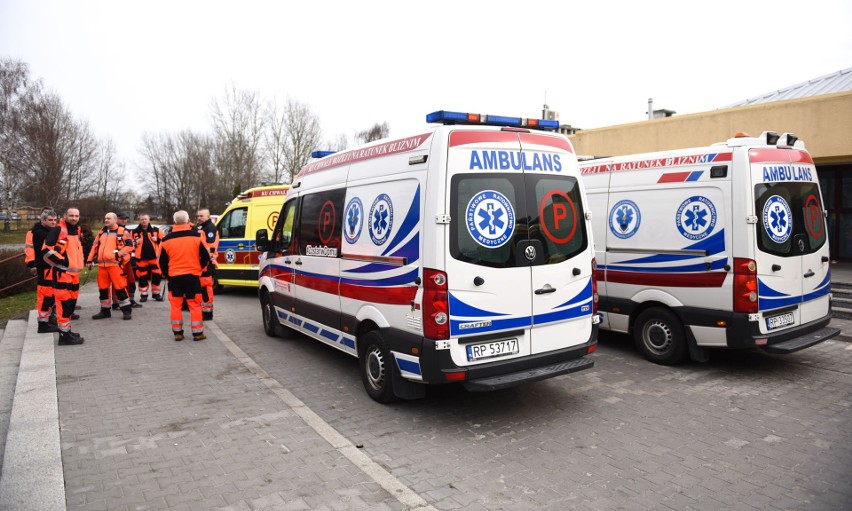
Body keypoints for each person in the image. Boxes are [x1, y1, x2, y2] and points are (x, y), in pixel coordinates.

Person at [160, 210, 210, 341]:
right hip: (193, 276)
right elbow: (205, 257)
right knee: (194, 304)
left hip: (174, 277)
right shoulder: (197, 237)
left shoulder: (165, 240)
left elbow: (162, 262)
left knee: (176, 305)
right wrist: (200, 268)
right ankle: (198, 333)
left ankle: (178, 333)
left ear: (174, 222)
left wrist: (166, 275)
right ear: (188, 221)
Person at [42, 207, 86, 345]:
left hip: (73, 274)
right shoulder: (58, 229)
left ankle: (67, 331)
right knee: (63, 304)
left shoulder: (75, 230)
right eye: (71, 215)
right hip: (63, 274)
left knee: (70, 305)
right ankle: (64, 336)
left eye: (76, 216)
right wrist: (61, 262)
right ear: (65, 216)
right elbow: (46, 251)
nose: (74, 218)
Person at [87, 212, 134, 320]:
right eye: (105, 218)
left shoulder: (122, 231)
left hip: (115, 266)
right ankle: (105, 311)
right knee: (103, 289)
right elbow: (94, 246)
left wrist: (118, 254)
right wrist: (89, 260)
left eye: (109, 218)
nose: (106, 220)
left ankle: (126, 310)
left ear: (115, 220)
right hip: (102, 266)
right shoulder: (101, 232)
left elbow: (130, 246)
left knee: (120, 288)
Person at [25, 209, 58, 333]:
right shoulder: (40, 232)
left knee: (50, 295)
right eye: (50, 220)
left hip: (49, 267)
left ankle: (48, 319)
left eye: (55, 220)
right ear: (43, 220)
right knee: (45, 296)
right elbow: (47, 250)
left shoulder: (46, 231)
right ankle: (43, 324)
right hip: (45, 268)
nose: (53, 222)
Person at [131, 214, 165, 302]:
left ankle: (156, 294)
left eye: (145, 219)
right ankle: (144, 295)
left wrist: (157, 240)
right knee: (142, 277)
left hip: (154, 258)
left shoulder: (156, 230)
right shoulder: (134, 231)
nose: (144, 221)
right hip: (141, 258)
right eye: (142, 219)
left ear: (149, 219)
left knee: (157, 276)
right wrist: (135, 242)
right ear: (139, 220)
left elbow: (164, 241)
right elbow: (129, 244)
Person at [113, 211, 142, 309]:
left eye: (125, 219)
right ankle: (116, 302)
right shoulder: (112, 230)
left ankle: (131, 300)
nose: (124, 220)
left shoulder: (127, 230)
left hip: (127, 260)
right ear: (116, 219)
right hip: (116, 261)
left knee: (131, 281)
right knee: (118, 283)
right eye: (121, 218)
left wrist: (134, 243)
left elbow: (128, 244)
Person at [195, 208, 219, 320]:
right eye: (198, 216)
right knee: (202, 288)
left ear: (208, 216)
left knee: (206, 288)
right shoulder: (201, 227)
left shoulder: (210, 228)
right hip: (201, 263)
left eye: (201, 216)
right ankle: (203, 311)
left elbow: (210, 248)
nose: (199, 218)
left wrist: (204, 261)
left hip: (207, 263)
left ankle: (207, 313)